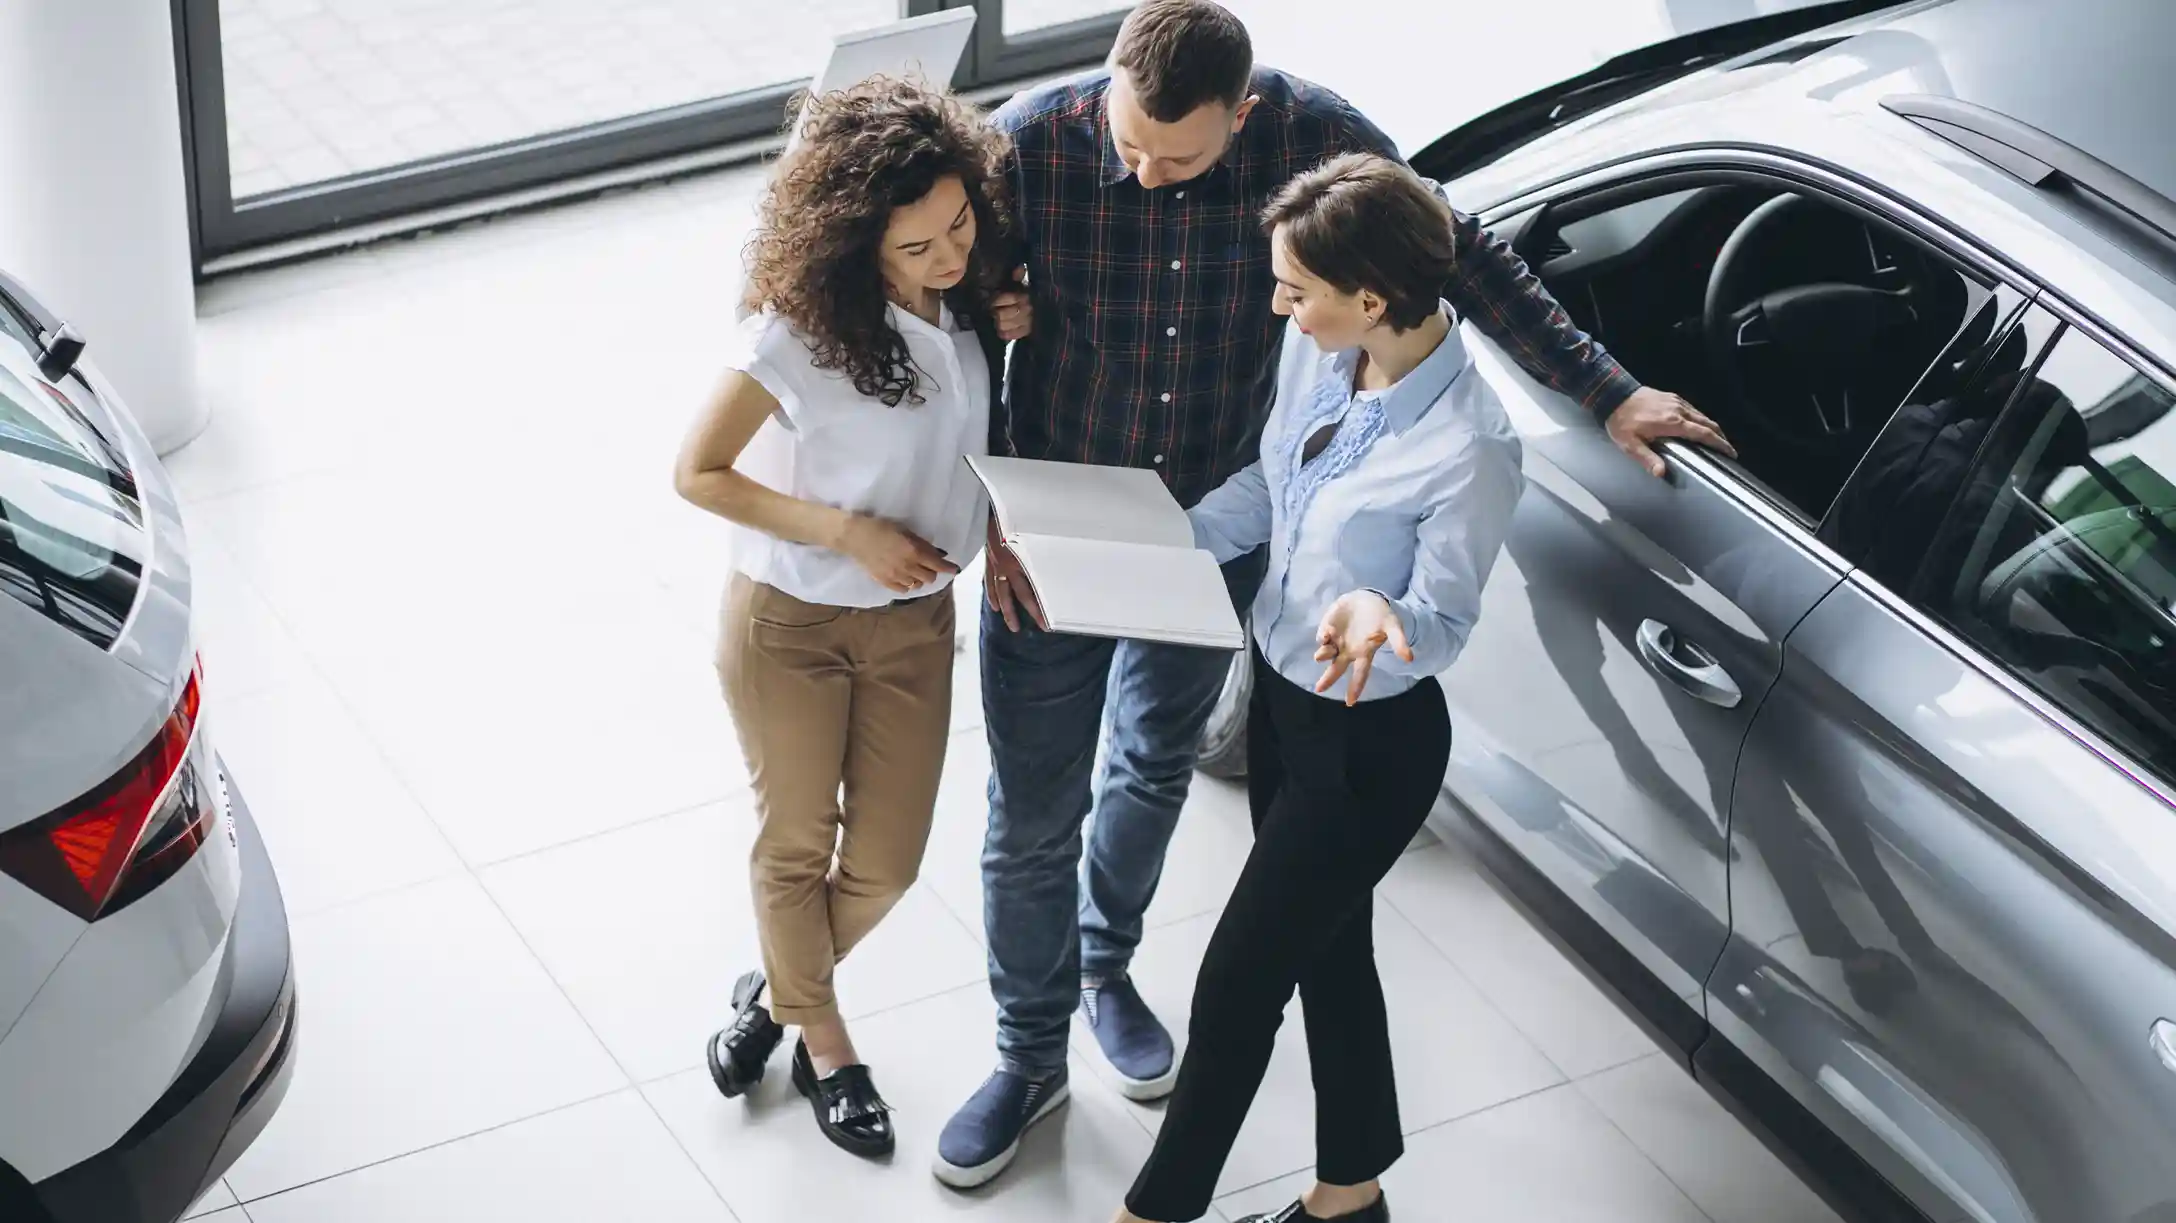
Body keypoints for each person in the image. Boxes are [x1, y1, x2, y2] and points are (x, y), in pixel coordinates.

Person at [936, 0, 1733, 1188]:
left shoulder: (1318, 161)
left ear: (1244, 117)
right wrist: (984, 365)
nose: (1145, 175)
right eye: (1129, 145)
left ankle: (1108, 975)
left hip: (1230, 544)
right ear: (1104, 80)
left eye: (1180, 158)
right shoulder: (1032, 143)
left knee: (1155, 766)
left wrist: (1604, 388)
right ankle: (1027, 1047)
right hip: (1068, 522)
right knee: (1036, 806)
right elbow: (924, 280)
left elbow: (1458, 256)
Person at [1112, 151, 1522, 1223]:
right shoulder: (1322, 358)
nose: (1279, 306)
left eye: (1297, 288)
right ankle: (1350, 1197)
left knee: (1239, 978)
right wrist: (1168, 542)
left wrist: (1380, 616)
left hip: (1371, 745)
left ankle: (1153, 1211)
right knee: (1330, 952)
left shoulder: (1471, 447)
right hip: (1283, 709)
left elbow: (1442, 622)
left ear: (1372, 299)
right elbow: (1273, 484)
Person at [671, 76, 1011, 1159]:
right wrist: (844, 531)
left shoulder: (973, 303)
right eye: (915, 246)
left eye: (956, 225)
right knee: (795, 845)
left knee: (888, 863)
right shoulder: (795, 334)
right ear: (858, 238)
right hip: (793, 622)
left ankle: (771, 996)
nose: (945, 256)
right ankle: (829, 1046)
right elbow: (697, 472)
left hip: (916, 622)